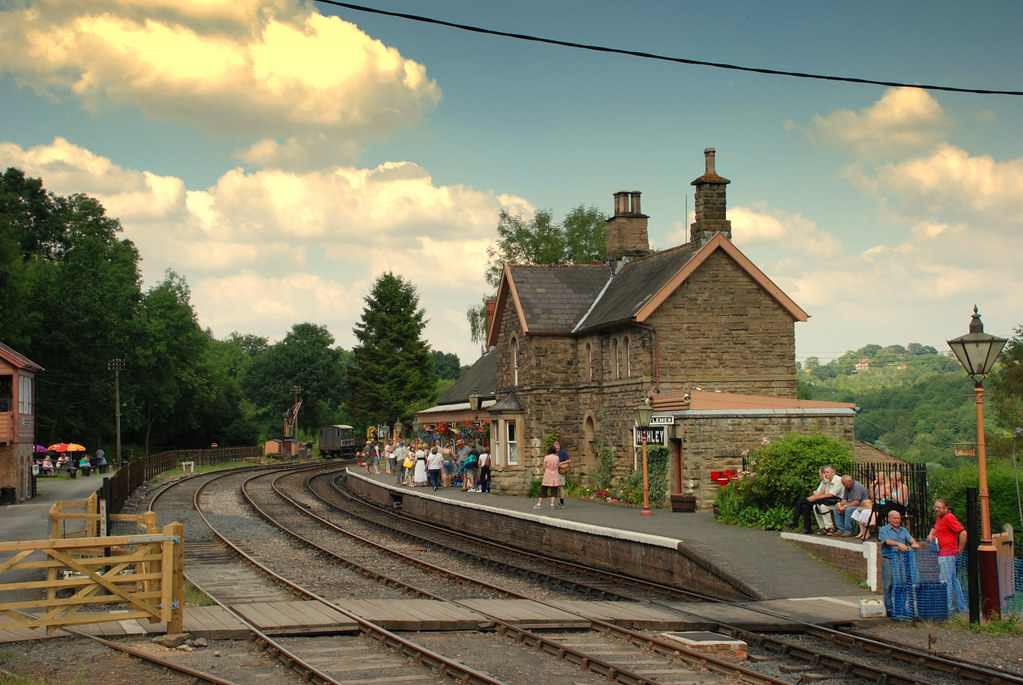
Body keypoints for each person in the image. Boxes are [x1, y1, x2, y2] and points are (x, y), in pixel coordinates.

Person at [926, 499, 967, 614]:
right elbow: (935, 528)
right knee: (953, 580)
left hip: (947, 554)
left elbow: (963, 533)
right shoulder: (940, 518)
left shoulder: (949, 517)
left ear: (946, 508)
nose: (937, 509)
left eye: (939, 507)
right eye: (936, 507)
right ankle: (962, 607)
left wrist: (960, 549)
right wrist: (931, 534)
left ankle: (947, 609)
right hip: (943, 553)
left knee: (945, 581)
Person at [879, 510, 920, 618]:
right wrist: (899, 544)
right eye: (895, 518)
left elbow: (910, 539)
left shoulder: (903, 530)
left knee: (902, 584)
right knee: (889, 584)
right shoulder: (884, 530)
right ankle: (889, 608)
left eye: (898, 518)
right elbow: (887, 541)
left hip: (902, 560)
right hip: (889, 559)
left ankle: (901, 607)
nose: (897, 520)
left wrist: (914, 543)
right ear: (889, 519)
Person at [783, 465, 842, 534]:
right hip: (827, 500)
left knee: (802, 499)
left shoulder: (838, 480)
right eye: (824, 472)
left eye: (827, 472)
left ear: (833, 473)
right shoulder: (827, 481)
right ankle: (812, 528)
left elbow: (831, 494)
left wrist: (815, 497)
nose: (825, 474)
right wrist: (825, 483)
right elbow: (823, 493)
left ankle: (795, 520)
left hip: (836, 501)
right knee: (805, 506)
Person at [533, 445, 561, 510]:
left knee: (543, 490)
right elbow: (558, 466)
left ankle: (539, 504)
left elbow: (544, 467)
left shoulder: (546, 457)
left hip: (547, 475)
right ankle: (552, 505)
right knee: (554, 490)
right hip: (555, 475)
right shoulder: (557, 457)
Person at [554, 440, 571, 509]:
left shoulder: (562, 452)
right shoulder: (553, 452)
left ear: (560, 446)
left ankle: (562, 502)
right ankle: (554, 502)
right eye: (555, 446)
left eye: (557, 446)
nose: (556, 447)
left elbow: (569, 460)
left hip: (560, 471)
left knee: (560, 486)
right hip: (554, 471)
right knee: (555, 486)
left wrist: (561, 463)